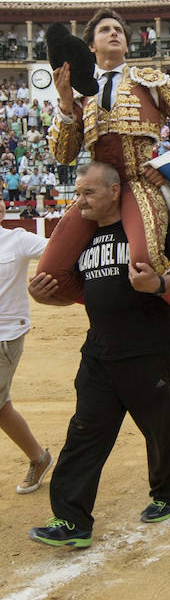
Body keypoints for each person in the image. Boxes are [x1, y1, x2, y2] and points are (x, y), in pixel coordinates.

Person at [27, 163, 170, 548]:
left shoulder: (147, 228)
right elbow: (77, 296)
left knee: (160, 428)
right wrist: (45, 297)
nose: (80, 201)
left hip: (148, 347)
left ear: (113, 191)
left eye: (88, 192)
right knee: (84, 434)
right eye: (77, 192)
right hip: (100, 351)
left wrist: (160, 283)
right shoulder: (81, 239)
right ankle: (72, 522)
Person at [39, 8, 170, 330]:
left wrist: (168, 164)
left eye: (118, 30)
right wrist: (63, 104)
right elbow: (63, 154)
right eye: (105, 30)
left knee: (144, 264)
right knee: (50, 274)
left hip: (139, 183)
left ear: (127, 46)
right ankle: (111, 301)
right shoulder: (77, 94)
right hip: (96, 190)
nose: (114, 33)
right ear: (91, 46)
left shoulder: (152, 82)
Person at [0, 198, 53, 494]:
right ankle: (39, 457)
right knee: (1, 406)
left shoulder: (17, 240)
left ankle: (39, 457)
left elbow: (58, 251)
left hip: (4, 335)